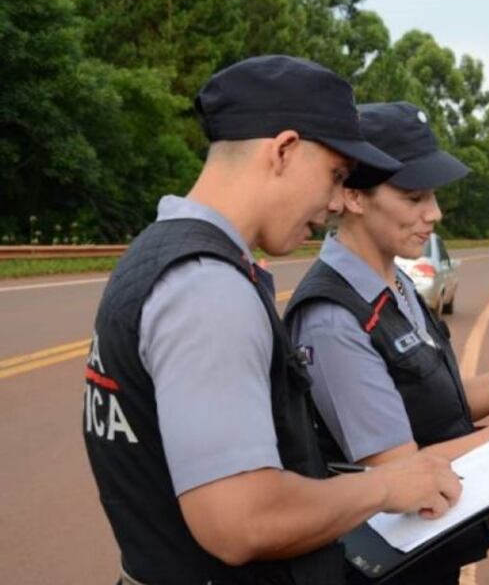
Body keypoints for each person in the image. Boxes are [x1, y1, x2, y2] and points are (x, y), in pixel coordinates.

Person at [82, 57, 462, 585]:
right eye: (334, 176)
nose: (335, 202)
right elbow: (242, 521)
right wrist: (386, 486)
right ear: (284, 150)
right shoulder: (208, 288)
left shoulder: (158, 252)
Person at [284, 101, 489, 584]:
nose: (434, 213)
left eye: (433, 196)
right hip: (385, 568)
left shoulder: (393, 284)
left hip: (431, 554)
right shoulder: (333, 319)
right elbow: (406, 477)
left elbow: (431, 405)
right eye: (414, 197)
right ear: (354, 197)